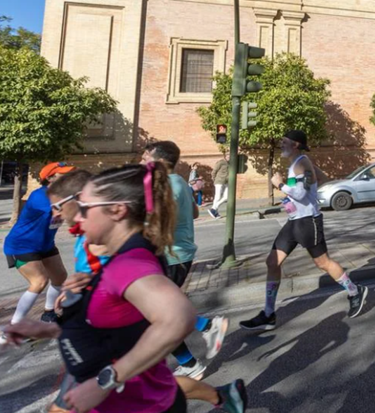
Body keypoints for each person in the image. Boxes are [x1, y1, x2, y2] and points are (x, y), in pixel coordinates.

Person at [2, 163, 246, 413]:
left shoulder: (128, 264)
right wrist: (46, 330)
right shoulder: (116, 261)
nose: (76, 218)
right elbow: (109, 329)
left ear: (117, 210)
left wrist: (105, 382)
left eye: (85, 208)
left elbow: (178, 317)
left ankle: (220, 395)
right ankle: (223, 396)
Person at [241, 130, 369, 330]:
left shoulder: (301, 163)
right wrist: (309, 180)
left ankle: (354, 291)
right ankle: (268, 314)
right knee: (272, 262)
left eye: (285, 142)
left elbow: (300, 194)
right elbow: (322, 178)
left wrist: (280, 184)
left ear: (296, 145)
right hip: (294, 222)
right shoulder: (299, 163)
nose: (281, 144)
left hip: (308, 222)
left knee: (323, 263)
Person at [141, 142, 229, 379]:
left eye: (146, 157)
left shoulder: (166, 186)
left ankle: (204, 333)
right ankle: (197, 347)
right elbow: (195, 212)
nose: (142, 160)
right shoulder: (178, 181)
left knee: (155, 315)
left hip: (171, 256)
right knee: (158, 312)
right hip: (177, 255)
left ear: (160, 161)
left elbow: (156, 226)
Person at [2, 162, 73, 340]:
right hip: (21, 245)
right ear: (50, 178)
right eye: (63, 174)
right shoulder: (40, 195)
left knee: (60, 277)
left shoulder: (64, 195)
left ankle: (49, 314)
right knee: (39, 281)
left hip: (45, 245)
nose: (68, 177)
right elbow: (62, 209)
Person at [209, 152, 229, 218]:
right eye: (228, 155)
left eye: (230, 155)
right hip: (219, 181)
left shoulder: (231, 163)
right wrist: (214, 180)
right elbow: (214, 172)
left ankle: (213, 208)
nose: (229, 157)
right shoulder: (221, 162)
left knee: (226, 197)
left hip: (227, 182)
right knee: (217, 197)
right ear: (225, 156)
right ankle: (215, 212)